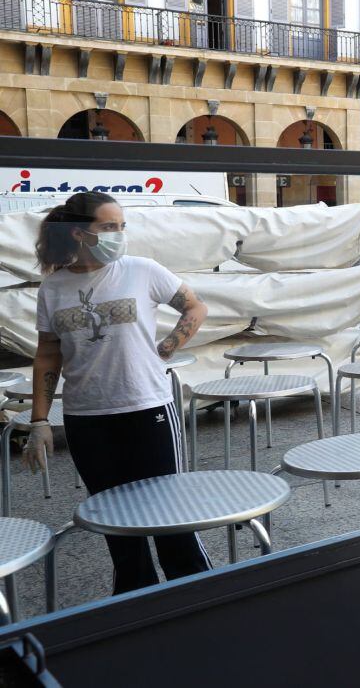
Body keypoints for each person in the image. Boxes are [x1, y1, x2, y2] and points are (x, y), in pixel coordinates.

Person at [25, 192, 213, 592]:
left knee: (170, 518)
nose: (119, 235)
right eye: (109, 227)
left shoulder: (142, 271)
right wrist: (39, 421)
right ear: (78, 233)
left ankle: (197, 595)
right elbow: (48, 354)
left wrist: (170, 344)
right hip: (87, 420)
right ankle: (132, 604)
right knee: (117, 524)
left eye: (121, 227)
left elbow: (195, 307)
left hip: (147, 409)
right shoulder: (53, 288)